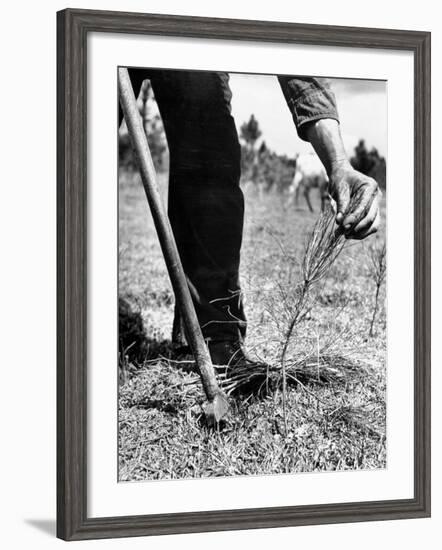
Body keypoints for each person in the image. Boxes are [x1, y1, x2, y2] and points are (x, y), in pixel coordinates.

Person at [119, 69, 380, 368]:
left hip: (194, 32)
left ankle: (214, 334)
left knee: (210, 145)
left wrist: (338, 164)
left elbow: (296, 53)